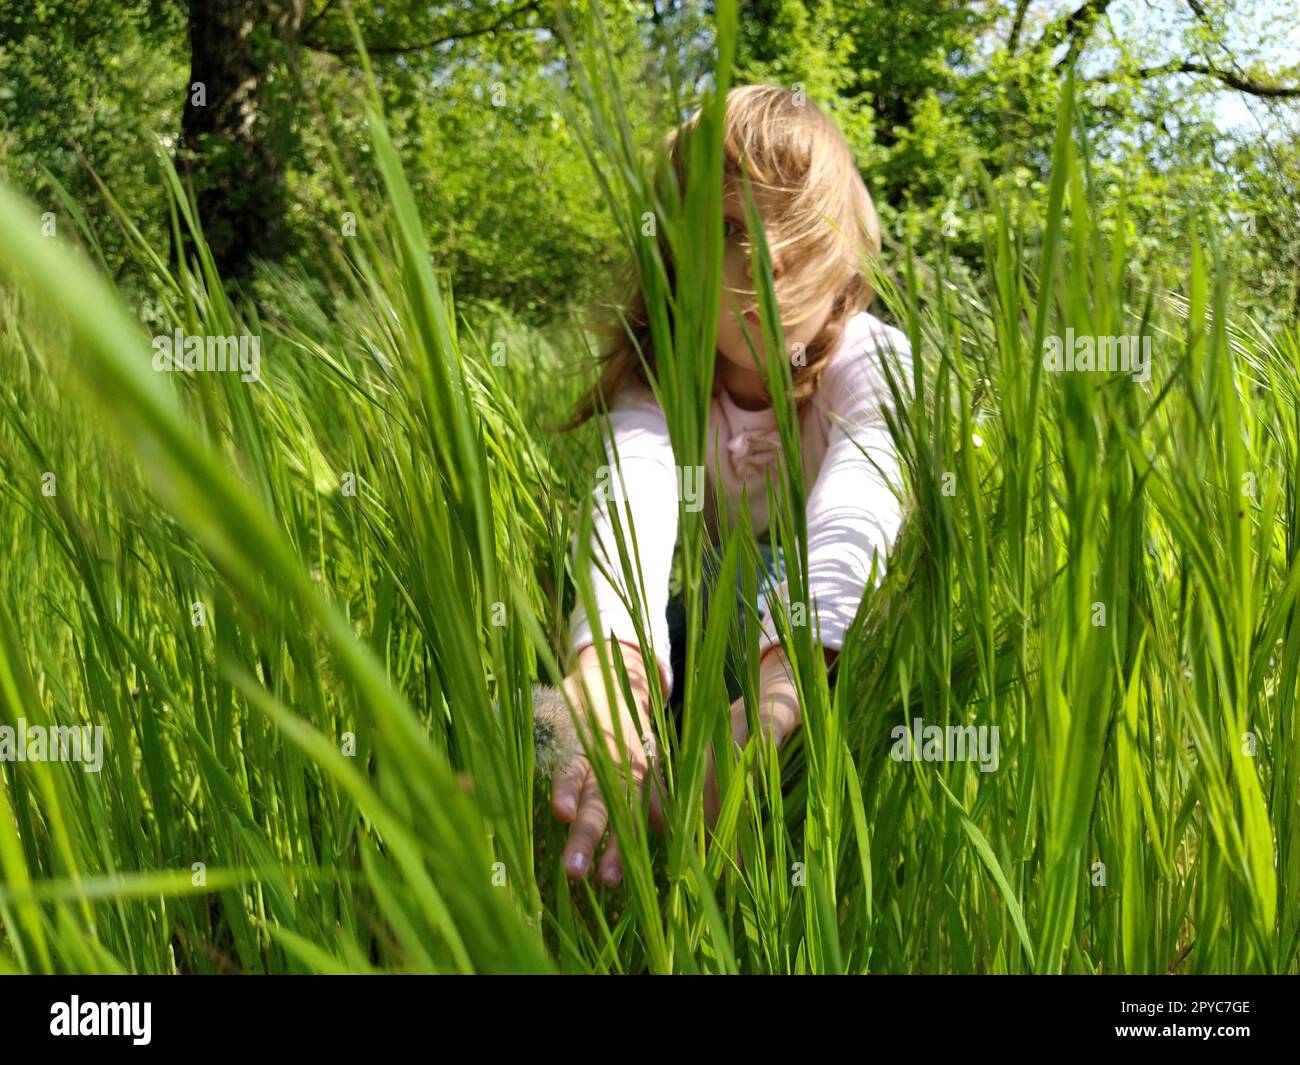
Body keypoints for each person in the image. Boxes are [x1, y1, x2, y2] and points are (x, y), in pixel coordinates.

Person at [553, 84, 910, 887]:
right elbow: (629, 501)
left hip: (844, 637)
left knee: (843, 654)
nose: (772, 255)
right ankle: (577, 786)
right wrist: (615, 668)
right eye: (726, 227)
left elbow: (862, 497)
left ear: (852, 244)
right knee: (587, 692)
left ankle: (789, 844)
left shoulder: (874, 363)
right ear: (676, 259)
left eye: (803, 222)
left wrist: (787, 675)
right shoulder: (664, 387)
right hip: (707, 628)